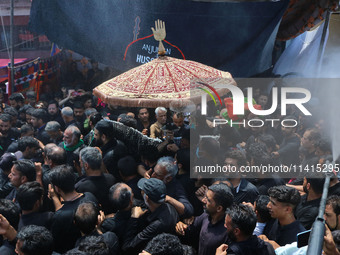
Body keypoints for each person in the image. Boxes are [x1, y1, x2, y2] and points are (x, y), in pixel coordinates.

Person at [48, 164, 98, 253]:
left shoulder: (60, 216)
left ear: (57, 188)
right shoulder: (90, 197)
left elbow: (55, 243)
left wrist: (54, 197)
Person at [122, 178, 179, 254]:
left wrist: (134, 218)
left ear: (147, 197)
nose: (141, 191)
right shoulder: (170, 207)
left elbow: (128, 246)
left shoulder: (157, 224)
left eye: (142, 190)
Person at [176, 183, 234, 255]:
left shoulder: (228, 231)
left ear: (219, 208)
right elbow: (189, 229)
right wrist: (181, 226)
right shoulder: (205, 216)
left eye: (208, 200)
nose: (203, 200)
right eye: (205, 197)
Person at [76, 147, 116, 214]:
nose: (80, 165)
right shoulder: (111, 179)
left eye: (80, 162)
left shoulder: (80, 187)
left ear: (86, 165)